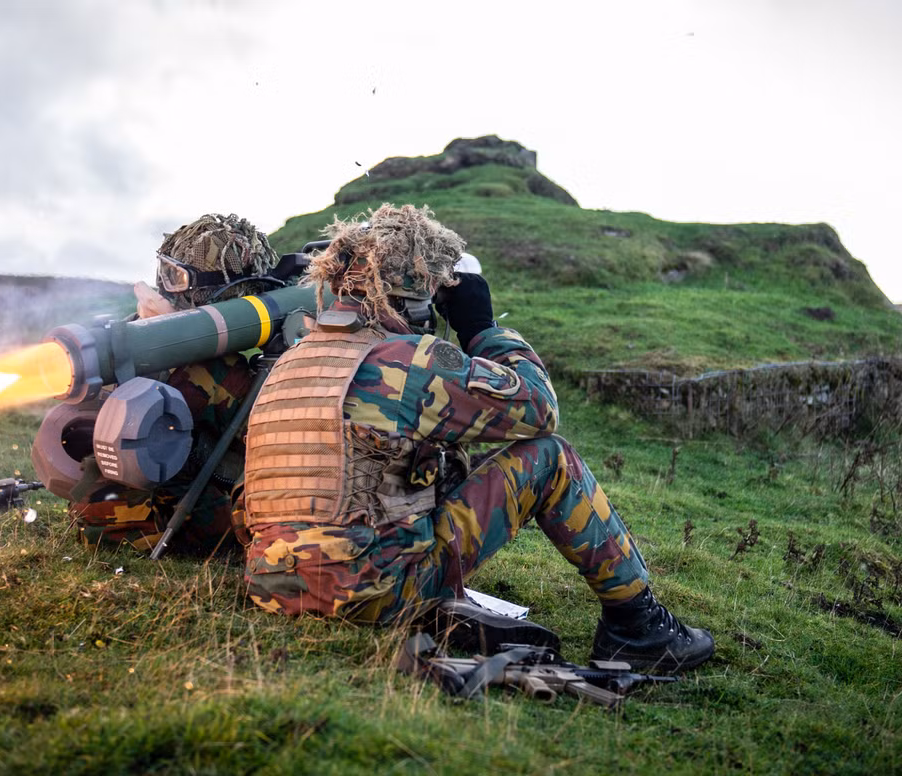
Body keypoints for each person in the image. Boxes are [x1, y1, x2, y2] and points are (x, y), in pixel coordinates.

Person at [239, 203, 714, 671]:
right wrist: (482, 329)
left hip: (274, 586)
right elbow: (540, 411)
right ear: (414, 298)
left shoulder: (292, 362)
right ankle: (640, 627)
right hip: (372, 593)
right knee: (549, 456)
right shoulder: (407, 359)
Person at [69, 213, 282, 555]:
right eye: (164, 272)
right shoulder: (198, 364)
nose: (165, 284)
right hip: (134, 506)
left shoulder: (215, 373)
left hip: (203, 514)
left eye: (176, 276)